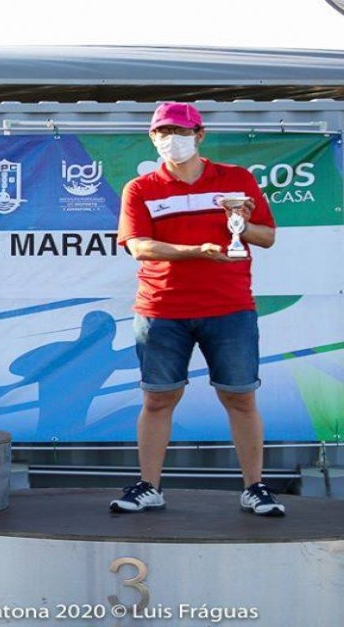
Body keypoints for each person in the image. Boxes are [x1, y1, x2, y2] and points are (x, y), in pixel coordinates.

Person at [112, 102, 283, 516]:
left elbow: (266, 237)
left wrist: (239, 220)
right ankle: (149, 487)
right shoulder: (140, 188)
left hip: (229, 308)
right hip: (160, 310)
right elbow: (139, 247)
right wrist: (196, 252)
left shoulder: (236, 180)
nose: (172, 139)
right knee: (157, 400)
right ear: (152, 138)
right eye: (163, 132)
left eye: (180, 131)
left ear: (200, 135)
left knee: (240, 398)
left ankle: (254, 487)